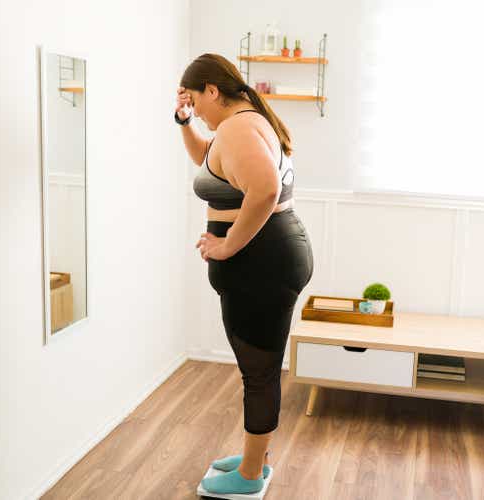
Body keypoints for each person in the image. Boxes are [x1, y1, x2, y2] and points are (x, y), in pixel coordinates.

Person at [176, 53, 314, 495]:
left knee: (259, 373)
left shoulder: (236, 127)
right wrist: (184, 122)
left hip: (262, 263)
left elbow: (266, 190)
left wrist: (228, 244)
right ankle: (256, 457)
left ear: (213, 90)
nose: (196, 109)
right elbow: (209, 161)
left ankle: (251, 477)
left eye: (196, 101)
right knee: (260, 369)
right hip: (269, 259)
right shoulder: (239, 125)